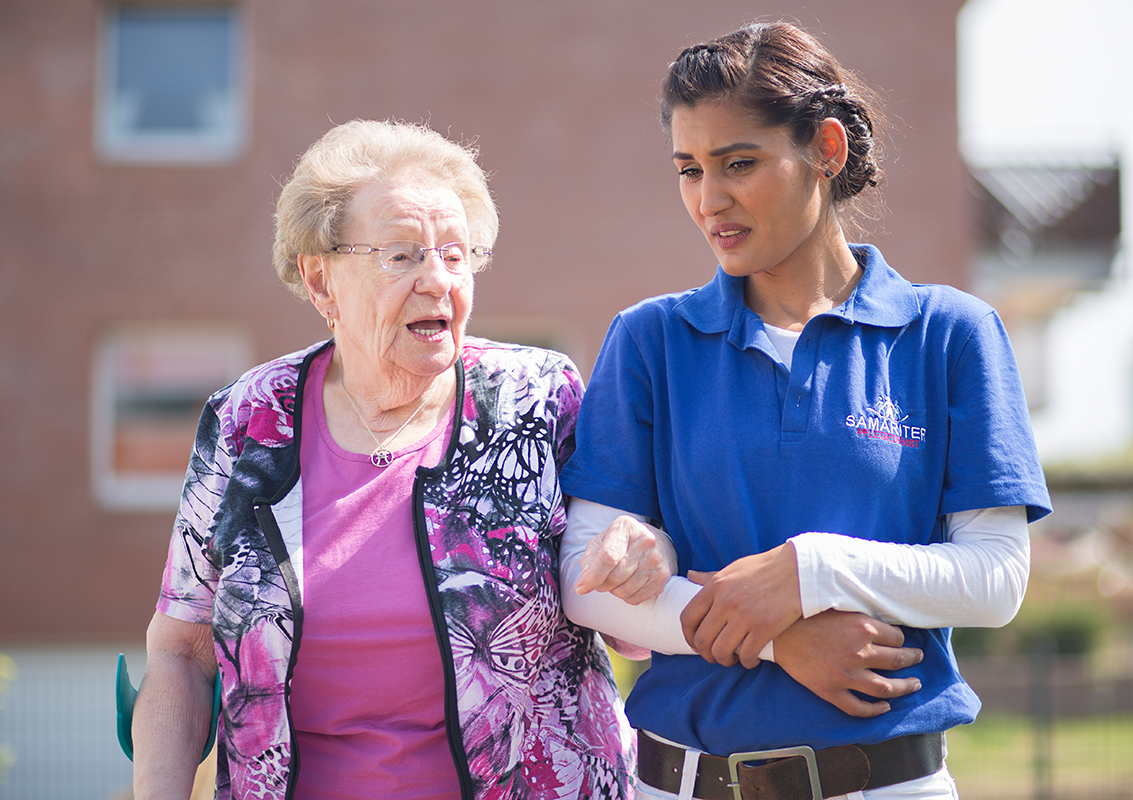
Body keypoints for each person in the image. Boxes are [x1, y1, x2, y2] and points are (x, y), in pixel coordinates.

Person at [558, 21, 1052, 800]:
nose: (708, 200)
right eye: (688, 170)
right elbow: (584, 580)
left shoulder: (950, 334)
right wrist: (778, 639)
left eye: (739, 164)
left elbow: (994, 579)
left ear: (826, 149)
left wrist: (809, 571)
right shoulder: (650, 339)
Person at [132, 119, 637, 800]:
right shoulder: (250, 420)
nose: (438, 281)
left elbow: (629, 613)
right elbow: (180, 651)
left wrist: (642, 554)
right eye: (401, 255)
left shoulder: (540, 400)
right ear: (320, 283)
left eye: (456, 255)